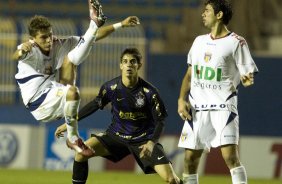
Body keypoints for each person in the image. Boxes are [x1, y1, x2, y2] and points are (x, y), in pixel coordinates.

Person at [14, 0, 140, 156]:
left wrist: (120, 24)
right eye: (43, 37)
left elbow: (89, 39)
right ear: (33, 38)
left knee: (70, 60)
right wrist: (21, 51)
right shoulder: (29, 49)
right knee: (73, 93)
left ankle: (94, 24)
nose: (48, 40)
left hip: (55, 95)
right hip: (38, 103)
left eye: (50, 35)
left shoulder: (56, 44)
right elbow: (17, 55)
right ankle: (73, 138)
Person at [55, 48, 183, 184]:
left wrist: (151, 143)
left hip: (143, 140)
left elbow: (160, 121)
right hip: (116, 136)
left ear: (138, 65)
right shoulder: (110, 88)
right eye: (125, 61)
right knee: (81, 153)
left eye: (132, 62)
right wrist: (69, 123)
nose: (128, 65)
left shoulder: (150, 92)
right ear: (120, 65)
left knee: (172, 180)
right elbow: (94, 105)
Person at [177, 0, 258, 184]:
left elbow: (247, 74)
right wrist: (181, 99)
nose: (203, 14)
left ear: (219, 15)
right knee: (189, 160)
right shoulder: (198, 41)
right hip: (197, 109)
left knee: (230, 158)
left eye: (207, 10)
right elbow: (189, 76)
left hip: (224, 107)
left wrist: (247, 80)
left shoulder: (237, 42)